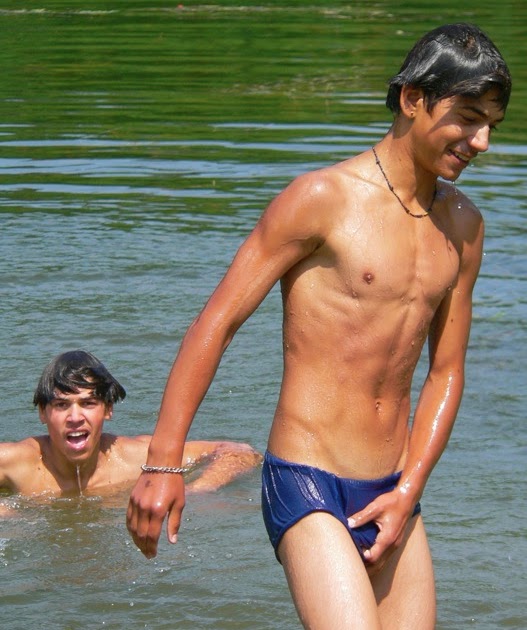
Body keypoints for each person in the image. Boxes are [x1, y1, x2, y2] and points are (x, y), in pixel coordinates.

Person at [126, 23, 511, 629]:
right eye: (468, 118)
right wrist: (162, 463)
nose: (481, 141)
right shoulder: (321, 198)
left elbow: (446, 371)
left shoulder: (464, 226)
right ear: (413, 99)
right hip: (309, 480)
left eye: (492, 124)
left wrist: (409, 490)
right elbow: (217, 321)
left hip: (394, 488)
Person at [0, 350, 262, 498]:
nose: (75, 417)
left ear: (108, 410)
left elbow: (241, 452)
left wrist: (195, 490)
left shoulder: (135, 458)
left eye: (88, 403)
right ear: (43, 413)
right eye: (61, 405)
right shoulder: (19, 462)